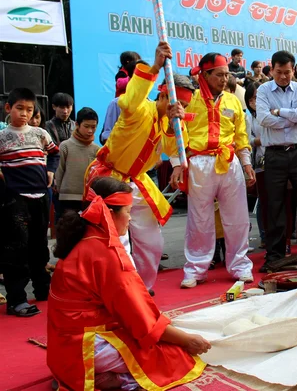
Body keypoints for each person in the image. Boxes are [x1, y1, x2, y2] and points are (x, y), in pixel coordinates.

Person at [47, 177, 210, 390]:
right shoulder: (107, 254)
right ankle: (112, 379)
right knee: (172, 353)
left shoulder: (83, 237)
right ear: (109, 214)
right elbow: (140, 319)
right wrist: (186, 340)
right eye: (127, 212)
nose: (130, 219)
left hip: (61, 347)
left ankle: (100, 375)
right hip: (87, 346)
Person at [86, 42, 188, 294]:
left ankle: (142, 286)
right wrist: (153, 68)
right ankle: (124, 289)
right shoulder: (137, 108)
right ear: (163, 96)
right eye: (178, 104)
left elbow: (175, 148)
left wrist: (178, 123)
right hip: (110, 179)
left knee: (152, 241)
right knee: (116, 240)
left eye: (184, 106)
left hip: (138, 181)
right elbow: (130, 98)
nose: (180, 109)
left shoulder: (166, 121)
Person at [169, 53, 255, 289]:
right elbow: (176, 135)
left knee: (237, 217)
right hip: (199, 163)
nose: (224, 79)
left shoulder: (233, 100)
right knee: (199, 219)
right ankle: (196, 269)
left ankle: (240, 265)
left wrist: (246, 163)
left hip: (228, 161)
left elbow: (241, 136)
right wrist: (177, 163)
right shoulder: (188, 100)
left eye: (227, 74)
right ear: (204, 75)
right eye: (219, 75)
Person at [0, 88, 59, 317]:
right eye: (19, 108)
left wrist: (51, 171)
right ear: (8, 108)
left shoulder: (40, 133)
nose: (24, 113)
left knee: (39, 246)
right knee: (16, 249)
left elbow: (54, 153)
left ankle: (43, 289)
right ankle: (17, 300)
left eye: (29, 110)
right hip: (15, 199)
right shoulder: (3, 137)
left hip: (41, 196)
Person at [256, 50, 297, 272]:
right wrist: (293, 118)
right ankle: (275, 256)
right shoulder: (263, 90)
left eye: (288, 72)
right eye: (279, 72)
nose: (283, 77)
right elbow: (263, 118)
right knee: (275, 205)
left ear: (293, 70)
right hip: (275, 154)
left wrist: (280, 112)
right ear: (271, 70)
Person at [55, 107, 100, 215]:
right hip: (67, 198)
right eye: (86, 126)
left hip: (89, 198)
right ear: (77, 124)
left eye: (93, 127)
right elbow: (59, 171)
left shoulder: (97, 150)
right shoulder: (65, 146)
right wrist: (59, 192)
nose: (90, 130)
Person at [101, 60, 150, 145]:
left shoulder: (152, 106)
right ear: (130, 80)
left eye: (147, 78)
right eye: (139, 78)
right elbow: (107, 137)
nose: (144, 82)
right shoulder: (116, 104)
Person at [245, 82, 268, 248]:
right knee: (263, 199)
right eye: (254, 97)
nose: (257, 100)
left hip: (276, 159)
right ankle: (264, 235)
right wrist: (257, 141)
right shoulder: (247, 117)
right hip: (259, 162)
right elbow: (245, 140)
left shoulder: (268, 112)